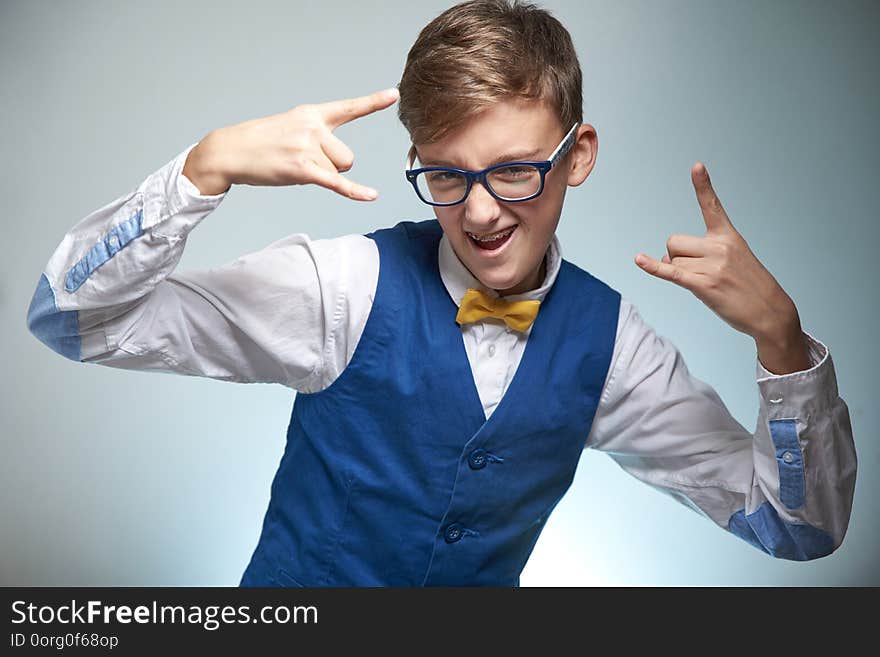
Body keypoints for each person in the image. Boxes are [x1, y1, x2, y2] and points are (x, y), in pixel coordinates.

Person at [26, 0, 856, 586]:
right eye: (448, 175)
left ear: (579, 155)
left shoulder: (614, 347)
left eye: (515, 170)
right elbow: (70, 317)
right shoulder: (344, 288)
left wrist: (782, 344)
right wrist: (201, 170)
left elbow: (798, 527)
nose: (482, 209)